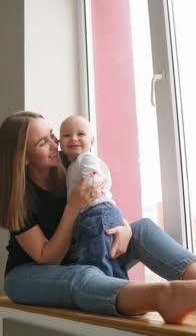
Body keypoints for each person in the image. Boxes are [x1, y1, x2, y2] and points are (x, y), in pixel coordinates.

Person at [0, 111, 196, 324]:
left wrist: (124, 229)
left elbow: (100, 208)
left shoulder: (69, 171)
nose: (56, 144)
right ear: (23, 157)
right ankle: (162, 296)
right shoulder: (19, 197)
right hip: (30, 275)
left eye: (52, 136)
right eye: (43, 143)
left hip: (80, 254)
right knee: (83, 277)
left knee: (142, 228)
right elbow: (48, 258)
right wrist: (71, 208)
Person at [59, 115, 128, 279]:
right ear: (60, 142)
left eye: (80, 134)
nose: (74, 138)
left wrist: (91, 185)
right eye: (67, 135)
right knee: (112, 261)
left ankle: (101, 290)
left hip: (96, 214)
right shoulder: (74, 164)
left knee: (95, 260)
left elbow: (93, 180)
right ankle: (124, 292)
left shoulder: (86, 158)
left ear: (92, 141)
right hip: (102, 213)